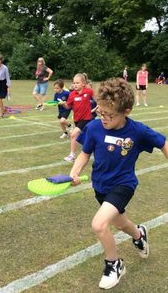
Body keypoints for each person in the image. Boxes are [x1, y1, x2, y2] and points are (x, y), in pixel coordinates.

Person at [69, 77, 168, 290]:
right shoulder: (95, 127)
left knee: (99, 224)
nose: (103, 117)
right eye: (100, 111)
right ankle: (139, 235)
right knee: (121, 224)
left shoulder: (137, 131)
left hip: (123, 185)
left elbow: (163, 143)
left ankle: (114, 264)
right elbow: (85, 154)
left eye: (109, 114)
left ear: (127, 111)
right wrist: (74, 172)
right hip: (100, 187)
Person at [60, 73, 94, 162]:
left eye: (77, 83)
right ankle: (92, 151)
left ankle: (72, 155)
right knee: (85, 137)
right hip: (76, 119)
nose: (75, 85)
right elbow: (68, 106)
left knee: (74, 134)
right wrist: (64, 104)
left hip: (86, 119)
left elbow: (97, 99)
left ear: (84, 83)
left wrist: (99, 107)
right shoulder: (72, 94)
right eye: (74, 83)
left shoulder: (88, 91)